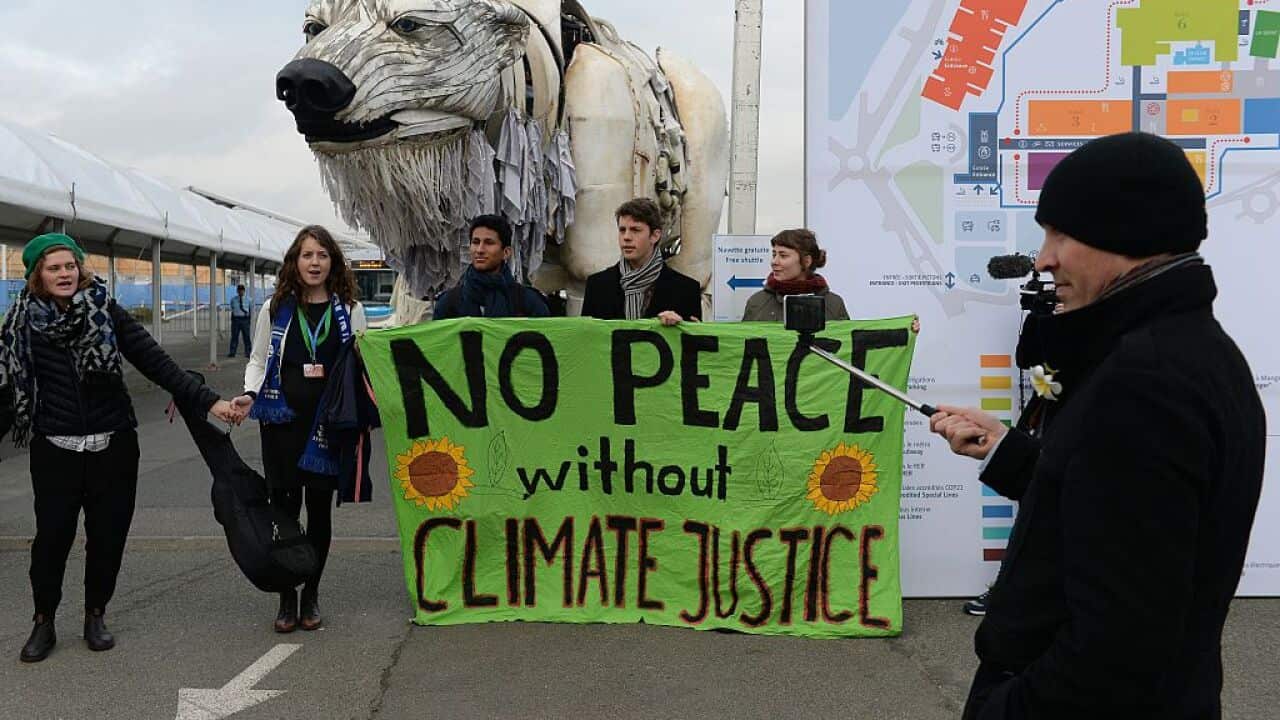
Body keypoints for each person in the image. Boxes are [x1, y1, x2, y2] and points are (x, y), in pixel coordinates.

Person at [928, 132, 1265, 719]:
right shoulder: (1186, 352)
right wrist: (1010, 451)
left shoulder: (1146, 383)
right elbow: (1108, 511)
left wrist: (1002, 710)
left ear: (1125, 235)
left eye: (1061, 233)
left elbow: (1117, 647)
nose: (1043, 259)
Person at [0, 233, 239, 663]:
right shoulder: (20, 322)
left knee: (107, 538)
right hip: (54, 447)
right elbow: (4, 390)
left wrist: (212, 402)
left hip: (114, 444)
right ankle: (44, 621)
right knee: (52, 539)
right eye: (54, 268)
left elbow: (155, 361)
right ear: (38, 275)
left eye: (70, 266)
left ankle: (95, 615)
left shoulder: (104, 310)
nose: (64, 274)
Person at [233, 226, 367, 633]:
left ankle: (311, 593)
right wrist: (250, 394)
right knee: (285, 513)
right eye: (307, 255)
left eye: (322, 255)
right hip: (282, 425)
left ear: (333, 263)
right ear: (295, 261)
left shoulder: (350, 308)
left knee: (320, 513)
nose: (314, 263)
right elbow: (258, 359)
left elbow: (364, 364)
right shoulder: (275, 308)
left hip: (327, 426)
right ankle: (286, 597)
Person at [580, 198, 702, 325]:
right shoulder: (597, 286)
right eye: (622, 230)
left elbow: (697, 342)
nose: (626, 237)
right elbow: (586, 340)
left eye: (635, 230)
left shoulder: (686, 290)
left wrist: (682, 326)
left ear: (655, 235)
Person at [433, 215, 550, 319]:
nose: (479, 250)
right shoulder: (449, 303)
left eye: (489, 243)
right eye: (475, 242)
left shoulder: (527, 302)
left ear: (506, 252)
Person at [228, 284, 253, 358]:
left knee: (246, 337)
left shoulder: (249, 299)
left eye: (242, 290)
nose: (240, 291)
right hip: (236, 319)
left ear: (244, 291)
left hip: (245, 319)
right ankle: (232, 352)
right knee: (234, 337)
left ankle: (248, 352)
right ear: (237, 291)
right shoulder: (233, 299)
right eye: (239, 290)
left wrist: (249, 320)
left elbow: (250, 310)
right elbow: (232, 309)